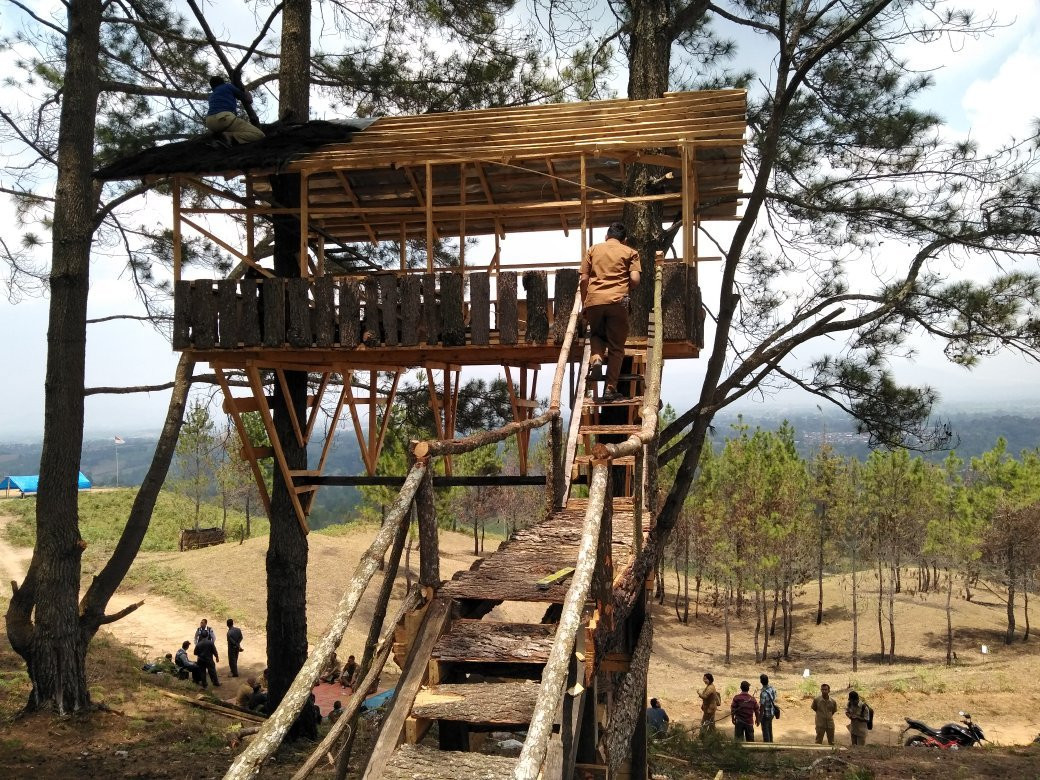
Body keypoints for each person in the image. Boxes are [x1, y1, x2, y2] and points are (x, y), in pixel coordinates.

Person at [579, 222, 641, 403]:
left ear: (606, 236)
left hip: (594, 301)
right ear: (625, 240)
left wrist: (586, 302)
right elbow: (635, 280)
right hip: (618, 302)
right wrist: (622, 288)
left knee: (596, 334)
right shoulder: (630, 252)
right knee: (616, 346)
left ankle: (596, 359)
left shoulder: (592, 250)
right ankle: (610, 389)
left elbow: (583, 280)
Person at [205, 75, 264, 145]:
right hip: (224, 118)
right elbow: (249, 100)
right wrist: (243, 89)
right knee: (259, 135)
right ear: (223, 82)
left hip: (209, 123)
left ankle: (221, 140)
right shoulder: (227, 86)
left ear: (212, 87)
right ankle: (230, 135)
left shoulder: (211, 96)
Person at [758, 673, 777, 743]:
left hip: (765, 715)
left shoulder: (763, 693)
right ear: (768, 681)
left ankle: (767, 746)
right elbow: (774, 698)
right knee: (769, 729)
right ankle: (771, 743)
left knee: (765, 732)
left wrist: (759, 718)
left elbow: (762, 707)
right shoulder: (772, 689)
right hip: (771, 713)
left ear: (761, 681)